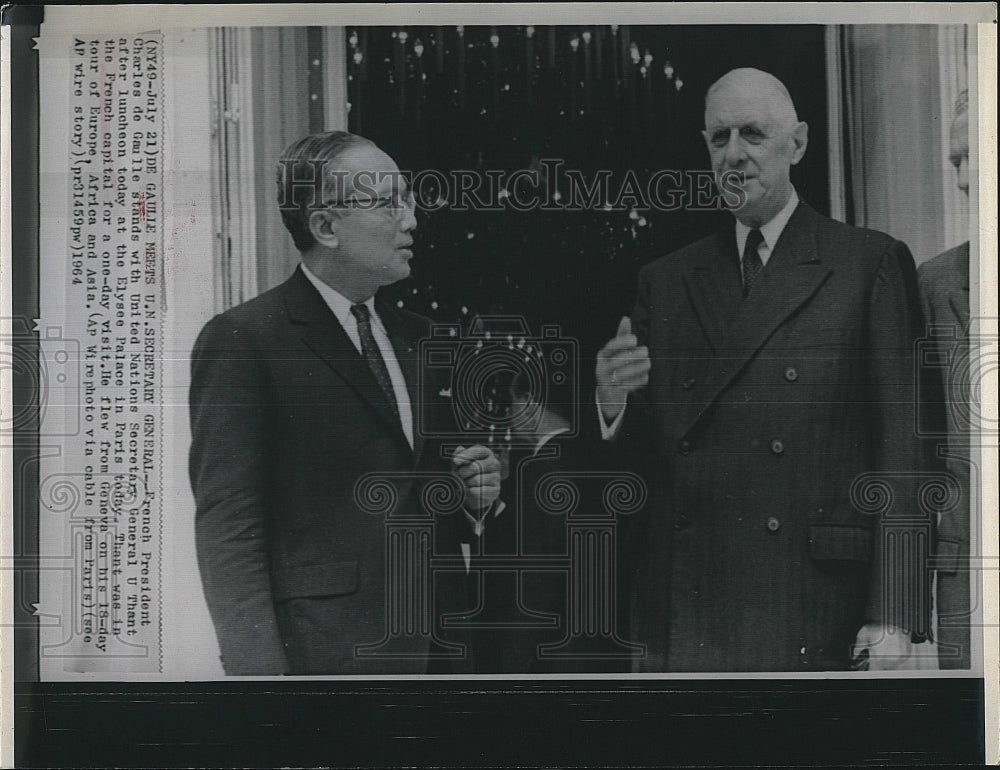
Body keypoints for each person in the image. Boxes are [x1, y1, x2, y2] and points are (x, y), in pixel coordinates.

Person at [595, 68, 931, 672]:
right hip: (688, 605)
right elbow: (645, 463)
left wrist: (895, 614)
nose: (734, 155)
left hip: (814, 602)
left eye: (752, 134)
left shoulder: (868, 264)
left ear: (796, 144)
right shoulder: (667, 280)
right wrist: (613, 403)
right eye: (718, 137)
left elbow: (903, 453)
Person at [188, 131, 500, 676]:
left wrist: (473, 496)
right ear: (325, 227)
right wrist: (260, 683)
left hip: (441, 656)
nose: (411, 220)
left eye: (407, 199)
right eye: (387, 203)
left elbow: (420, 493)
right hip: (323, 663)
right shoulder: (245, 340)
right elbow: (229, 527)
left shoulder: (421, 338)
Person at [918, 90, 972, 669]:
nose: (962, 179)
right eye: (954, 161)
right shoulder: (933, 285)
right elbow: (912, 454)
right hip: (969, 588)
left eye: (973, 155)